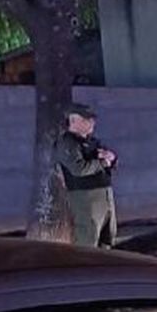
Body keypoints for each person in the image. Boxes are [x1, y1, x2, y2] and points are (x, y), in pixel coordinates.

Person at [53, 103, 118, 248]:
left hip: (104, 194)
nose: (91, 123)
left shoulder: (92, 141)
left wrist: (111, 159)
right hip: (86, 197)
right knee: (88, 237)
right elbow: (78, 169)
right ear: (74, 121)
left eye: (92, 120)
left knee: (108, 237)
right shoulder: (67, 143)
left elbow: (108, 160)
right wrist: (102, 163)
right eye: (86, 120)